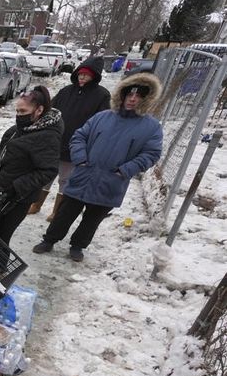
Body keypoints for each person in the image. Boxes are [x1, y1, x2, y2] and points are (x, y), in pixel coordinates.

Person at [33, 73, 163, 262]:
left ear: (146, 100)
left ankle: (78, 246)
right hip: (84, 174)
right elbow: (79, 136)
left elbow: (151, 154)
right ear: (122, 95)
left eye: (139, 96)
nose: (133, 99)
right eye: (129, 95)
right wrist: (80, 158)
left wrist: (125, 170)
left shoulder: (151, 127)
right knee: (65, 212)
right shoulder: (102, 117)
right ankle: (49, 240)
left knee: (92, 219)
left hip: (112, 181)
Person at [29, 56, 110, 219]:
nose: (82, 77)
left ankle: (56, 212)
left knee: (65, 180)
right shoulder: (66, 91)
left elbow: (102, 122)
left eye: (86, 75)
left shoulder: (101, 95)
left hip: (77, 145)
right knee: (46, 175)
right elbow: (51, 110)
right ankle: (36, 204)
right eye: (80, 74)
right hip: (56, 142)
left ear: (94, 76)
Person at [0, 86, 62, 245]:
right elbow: (2, 155)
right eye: (17, 111)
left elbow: (48, 171)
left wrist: (16, 187)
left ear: (38, 110)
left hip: (18, 198)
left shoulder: (48, 137)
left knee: (1, 237)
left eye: (22, 112)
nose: (18, 116)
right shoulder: (16, 130)